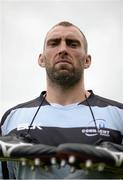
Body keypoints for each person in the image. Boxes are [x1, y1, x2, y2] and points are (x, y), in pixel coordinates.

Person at [0, 21, 123, 179]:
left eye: (72, 44)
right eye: (54, 43)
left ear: (87, 60)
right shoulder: (13, 117)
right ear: (41, 59)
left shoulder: (118, 114)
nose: (63, 49)